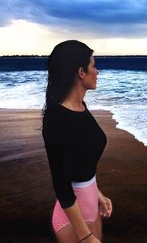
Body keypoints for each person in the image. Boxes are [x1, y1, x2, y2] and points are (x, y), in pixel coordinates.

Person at [42, 40, 112, 243]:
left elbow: (82, 162)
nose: (97, 72)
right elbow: (62, 187)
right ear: (81, 72)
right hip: (73, 220)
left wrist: (97, 193)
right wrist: (86, 236)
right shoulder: (57, 119)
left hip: (90, 205)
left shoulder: (81, 106)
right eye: (93, 66)